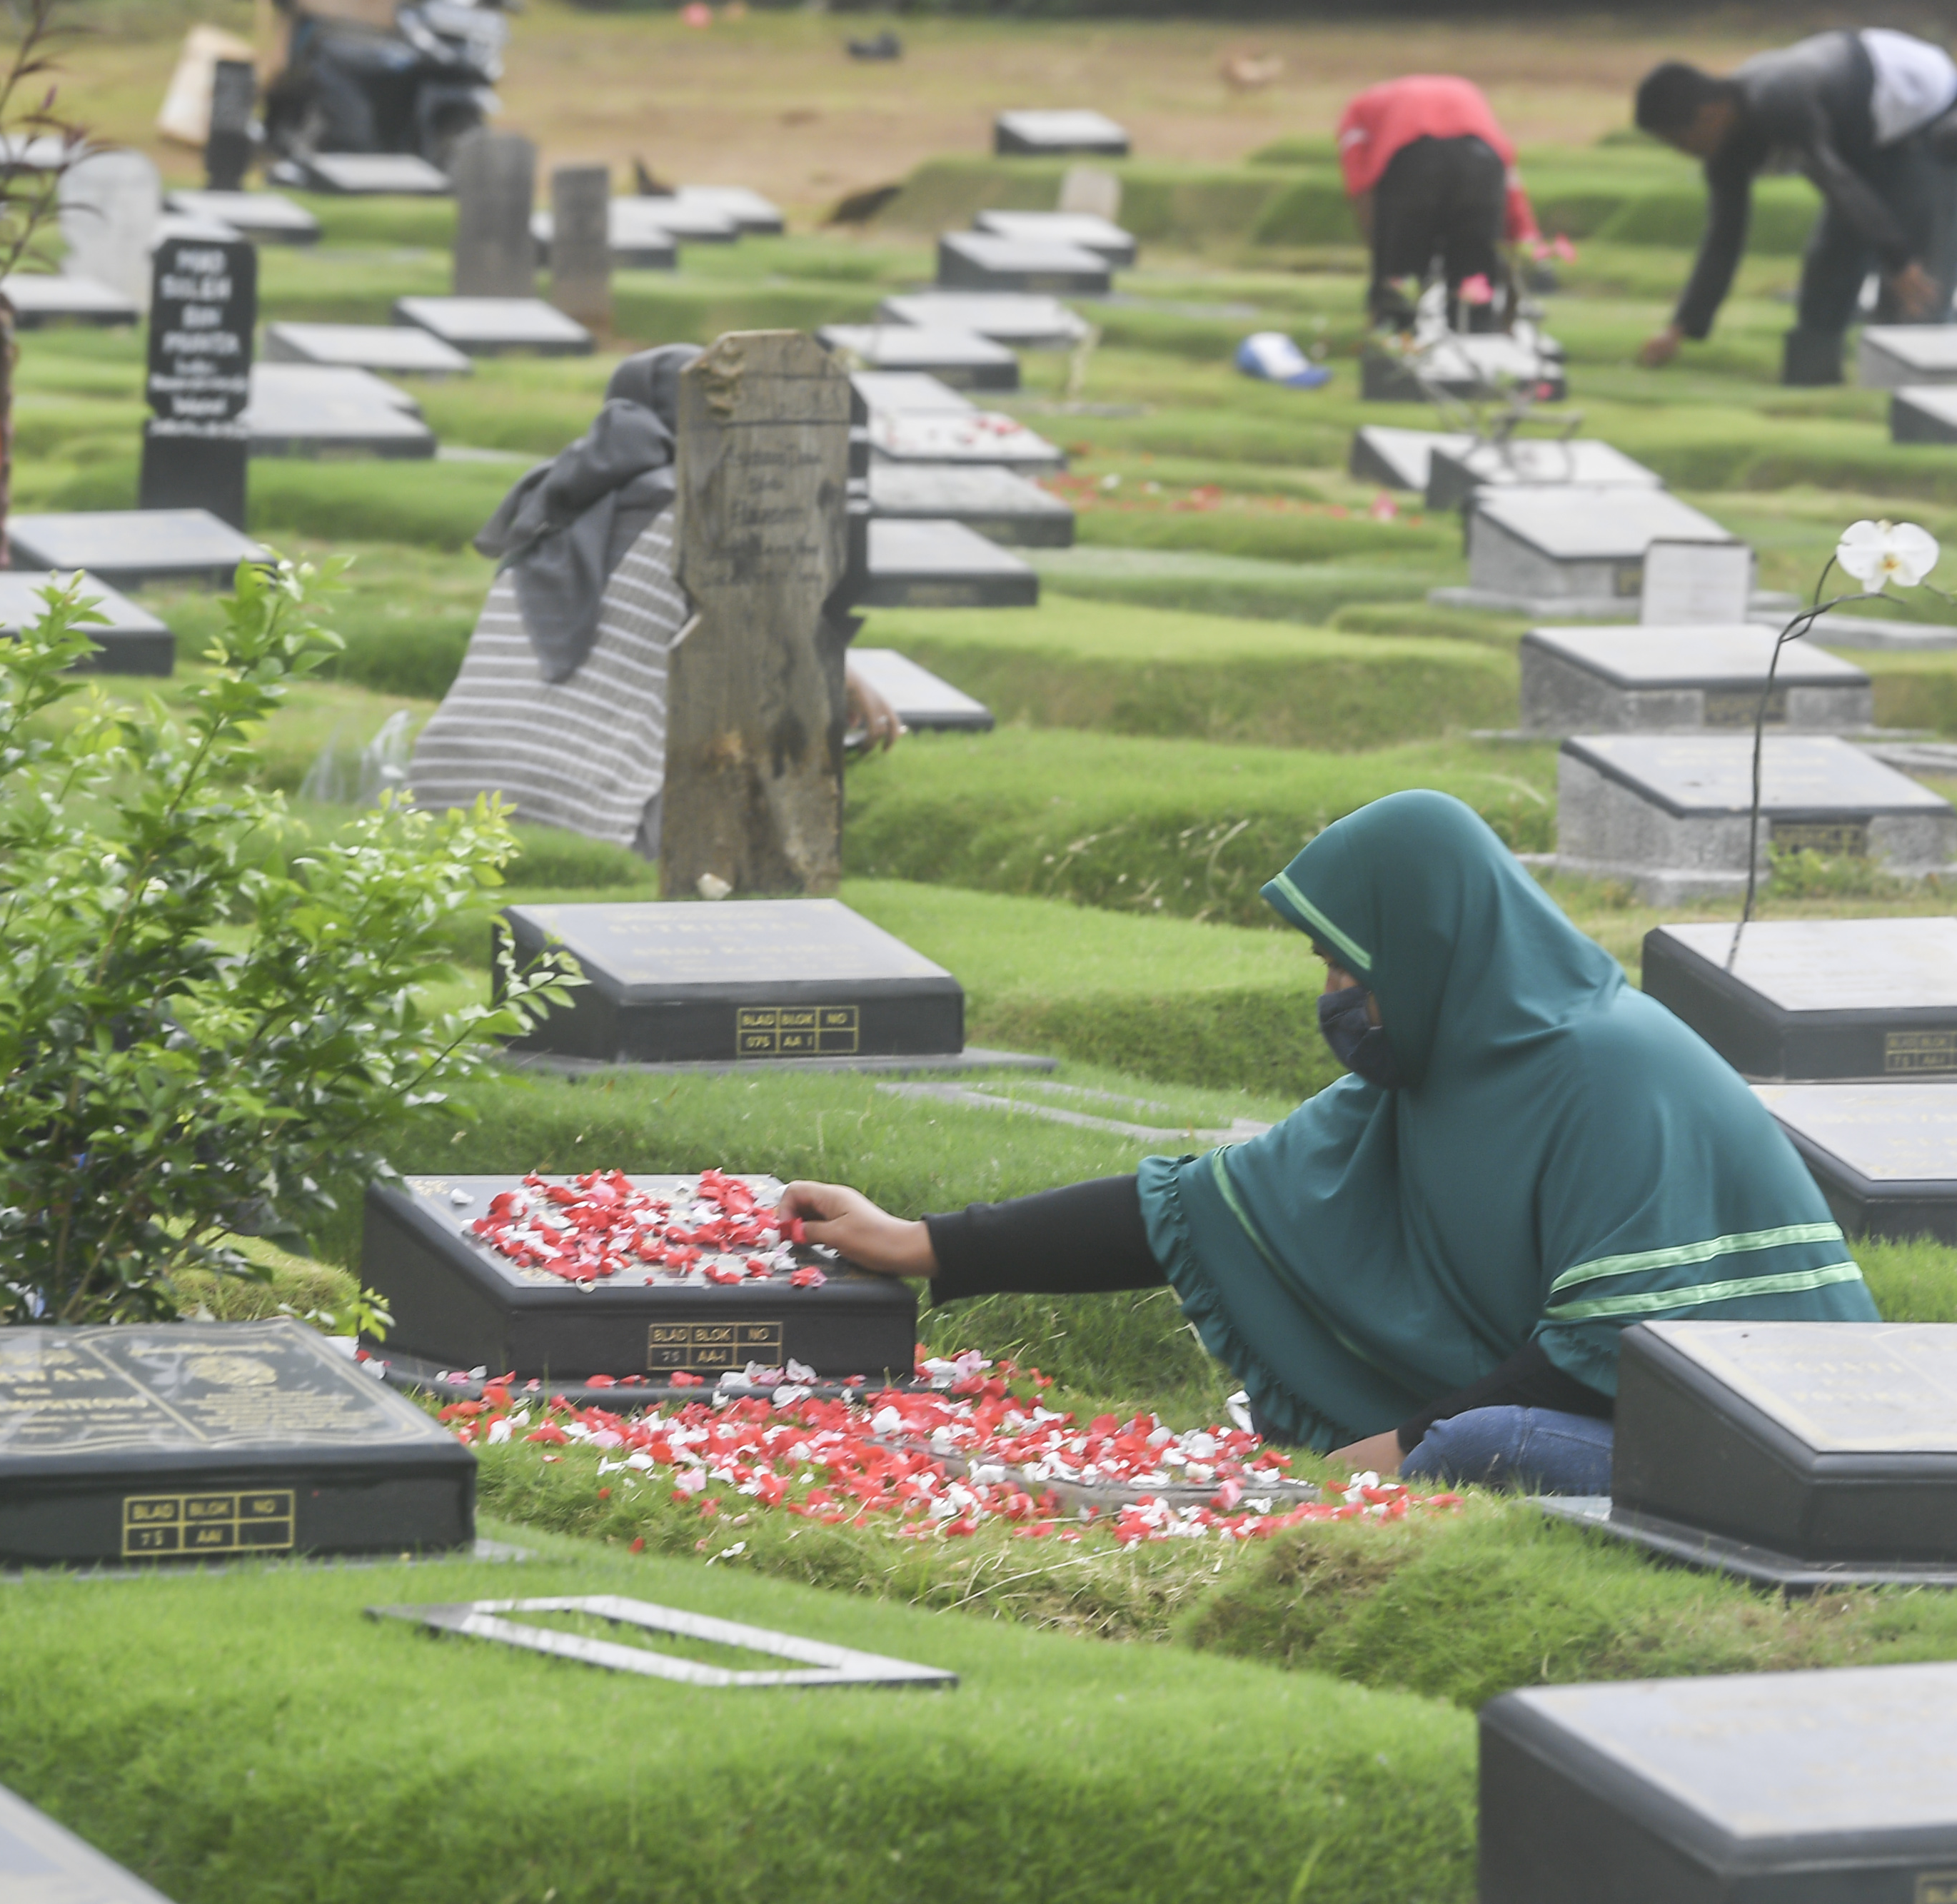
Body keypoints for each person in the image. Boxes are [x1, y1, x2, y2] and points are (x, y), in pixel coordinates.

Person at [784, 790, 1878, 1494]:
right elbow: (1201, 1208)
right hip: (1629, 1415)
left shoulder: (1607, 1069)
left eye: (1348, 966)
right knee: (1421, 1438)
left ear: (1431, 943)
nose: (1336, 995)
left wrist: (1397, 1444)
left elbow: (1607, 1348)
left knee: (1456, 1449)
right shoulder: (1447, 1063)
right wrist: (922, 1242)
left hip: (1770, 1443)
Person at [408, 346, 901, 855]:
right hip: (579, 805)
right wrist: (837, 671)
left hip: (436, 784)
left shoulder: (553, 504)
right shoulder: (708, 516)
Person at [1631, 31, 1957, 383]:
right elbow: (1724, 238)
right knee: (1829, 264)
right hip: (1858, 134)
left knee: (1920, 278)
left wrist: (1899, 260)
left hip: (1924, 112)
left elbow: (1837, 183)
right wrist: (1682, 327)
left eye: (1679, 140)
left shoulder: (1777, 98)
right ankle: (1812, 380)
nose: (1683, 152)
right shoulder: (1724, 151)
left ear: (1711, 113)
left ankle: (1914, 386)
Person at [1335, 75, 1540, 333]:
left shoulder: (1358, 109)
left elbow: (1359, 184)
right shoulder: (1467, 90)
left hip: (1412, 160)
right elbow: (1509, 178)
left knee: (1399, 286)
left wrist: (1380, 244)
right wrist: (1527, 237)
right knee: (1474, 284)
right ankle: (1476, 347)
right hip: (1482, 163)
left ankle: (1394, 346)